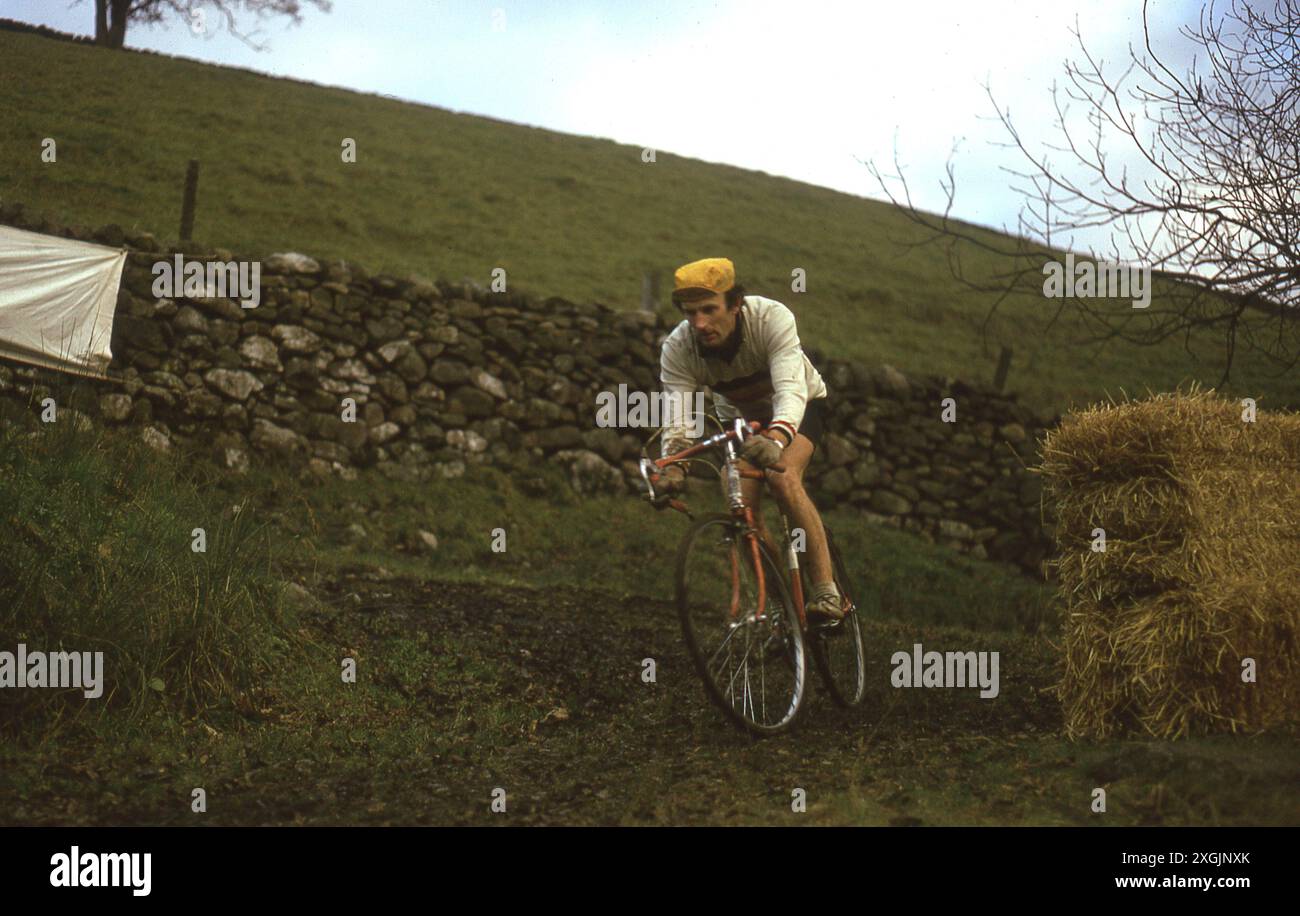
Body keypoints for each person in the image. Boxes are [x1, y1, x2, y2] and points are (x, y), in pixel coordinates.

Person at [656, 257, 842, 624]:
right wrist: (674, 466)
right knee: (738, 505)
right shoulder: (679, 347)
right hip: (743, 418)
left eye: (710, 310)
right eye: (691, 313)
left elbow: (790, 388)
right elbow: (679, 416)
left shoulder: (772, 318)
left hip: (800, 405)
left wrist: (777, 436)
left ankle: (826, 591)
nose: (700, 324)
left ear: (736, 304)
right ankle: (783, 607)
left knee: (782, 477)